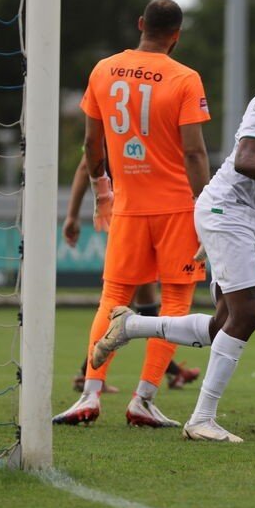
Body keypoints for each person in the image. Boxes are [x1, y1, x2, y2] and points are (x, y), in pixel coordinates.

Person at [90, 31, 255, 443]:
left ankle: (131, 325)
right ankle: (201, 418)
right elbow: (246, 159)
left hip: (253, 218)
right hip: (225, 207)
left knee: (222, 324)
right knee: (249, 315)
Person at [52, 0, 211, 428]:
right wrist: (208, 209)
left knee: (112, 299)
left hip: (128, 205)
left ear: (140, 24)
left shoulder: (104, 69)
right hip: (178, 205)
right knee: (175, 301)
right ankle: (143, 399)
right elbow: (194, 151)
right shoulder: (185, 77)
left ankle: (89, 394)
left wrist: (104, 191)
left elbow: (91, 146)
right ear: (177, 35)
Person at [61, 156, 201, 394]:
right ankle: (92, 374)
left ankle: (169, 371)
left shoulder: (113, 126)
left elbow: (87, 162)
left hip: (128, 213)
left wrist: (73, 215)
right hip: (151, 212)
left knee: (142, 299)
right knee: (127, 302)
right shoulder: (140, 129)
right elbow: (87, 163)